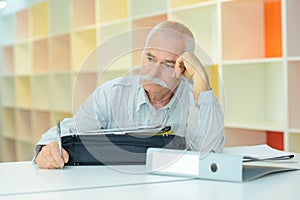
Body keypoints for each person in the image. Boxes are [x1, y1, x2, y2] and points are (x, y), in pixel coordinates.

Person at [34, 21, 224, 169]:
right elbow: (73, 130)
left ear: (183, 68)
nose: (154, 72)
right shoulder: (111, 94)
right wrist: (47, 149)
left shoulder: (197, 97)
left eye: (168, 64)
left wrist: (202, 81)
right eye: (150, 58)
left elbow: (210, 155)